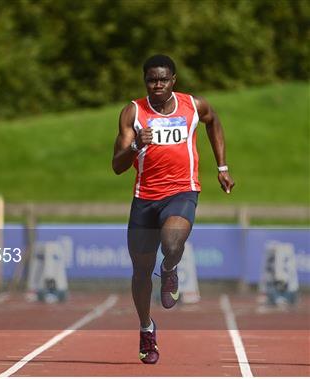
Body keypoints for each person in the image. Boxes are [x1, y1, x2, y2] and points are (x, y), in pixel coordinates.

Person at [112, 54, 234, 364]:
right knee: (140, 272)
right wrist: (137, 145)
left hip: (182, 191)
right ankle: (146, 328)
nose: (157, 85)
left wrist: (222, 166)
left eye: (163, 80)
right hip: (144, 199)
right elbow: (117, 166)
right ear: (145, 82)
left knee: (172, 241)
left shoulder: (193, 106)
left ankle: (169, 270)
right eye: (152, 80)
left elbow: (214, 121)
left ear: (173, 80)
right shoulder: (133, 113)